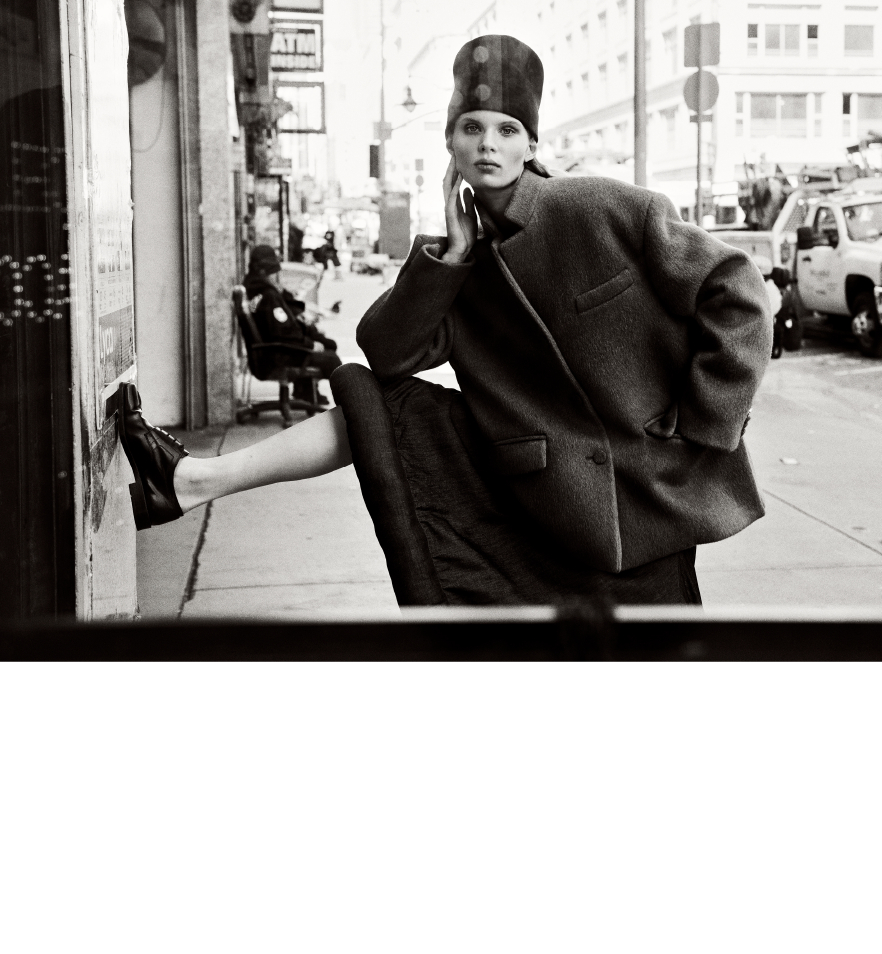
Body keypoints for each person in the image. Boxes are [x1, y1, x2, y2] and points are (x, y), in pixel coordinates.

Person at [118, 35, 773, 607]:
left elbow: (736, 288)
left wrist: (705, 421)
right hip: (546, 503)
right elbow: (386, 354)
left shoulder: (597, 206)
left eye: (507, 130)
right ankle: (194, 481)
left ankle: (187, 482)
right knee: (379, 404)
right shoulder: (458, 262)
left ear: (531, 144)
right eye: (471, 127)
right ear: (449, 142)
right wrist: (452, 255)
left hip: (653, 490)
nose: (488, 143)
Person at [243, 244, 341, 406]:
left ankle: (305, 391)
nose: (278, 276)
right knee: (331, 359)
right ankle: (349, 406)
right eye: (275, 272)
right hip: (279, 355)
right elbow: (282, 333)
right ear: (266, 272)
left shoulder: (257, 290)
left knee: (327, 343)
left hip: (271, 353)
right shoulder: (268, 295)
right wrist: (310, 344)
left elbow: (285, 318)